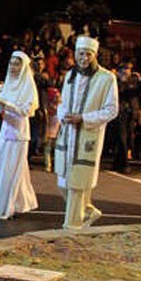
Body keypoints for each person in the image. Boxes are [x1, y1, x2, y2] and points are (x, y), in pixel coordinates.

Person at [55, 36, 118, 230]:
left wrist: (83, 118)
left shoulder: (106, 78)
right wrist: (63, 116)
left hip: (87, 136)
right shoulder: (70, 76)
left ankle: (71, 228)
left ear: (95, 55)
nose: (84, 58)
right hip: (68, 134)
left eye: (88, 54)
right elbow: (63, 103)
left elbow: (111, 110)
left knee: (78, 184)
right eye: (81, 54)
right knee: (64, 183)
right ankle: (88, 211)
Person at [0, 51, 39, 219]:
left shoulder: (29, 86)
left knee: (10, 173)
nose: (13, 67)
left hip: (19, 134)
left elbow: (26, 111)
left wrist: (6, 104)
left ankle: (6, 208)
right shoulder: (8, 84)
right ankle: (19, 203)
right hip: (5, 131)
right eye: (11, 63)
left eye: (17, 64)